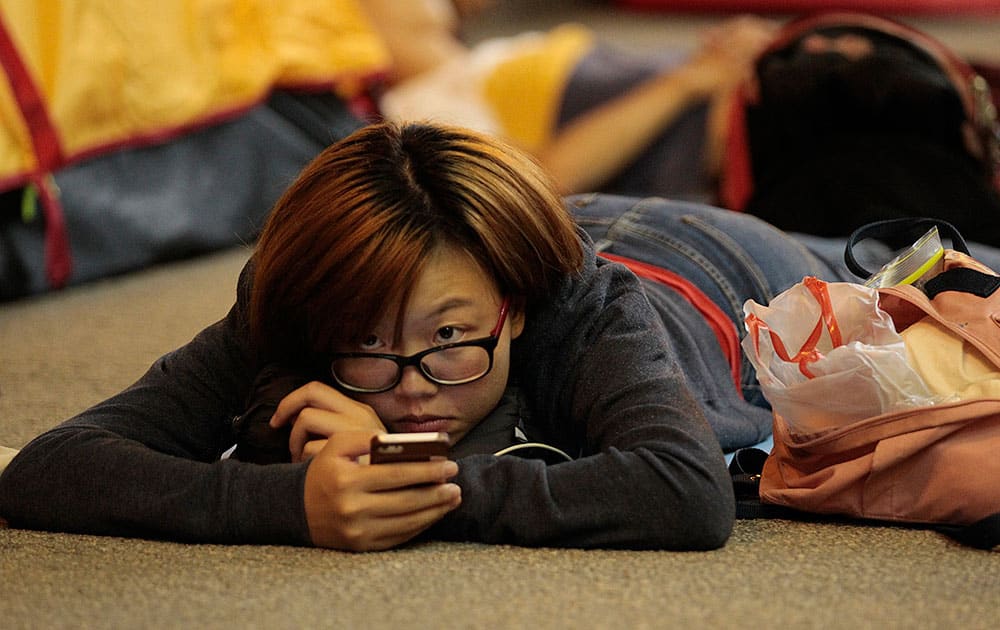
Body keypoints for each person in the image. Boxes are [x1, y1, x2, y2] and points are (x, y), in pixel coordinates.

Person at [0, 121, 859, 552]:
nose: (412, 388)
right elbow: (48, 467)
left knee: (947, 270)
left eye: (451, 338)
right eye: (367, 346)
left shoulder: (577, 301)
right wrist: (287, 504)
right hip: (536, 228)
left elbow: (686, 493)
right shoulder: (293, 301)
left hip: (716, 259)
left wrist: (405, 481)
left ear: (512, 309)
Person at [359, 0, 777, 200]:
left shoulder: (463, 66)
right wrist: (689, 79)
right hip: (714, 130)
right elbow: (541, 179)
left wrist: (721, 56)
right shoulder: (415, 111)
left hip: (727, 92)